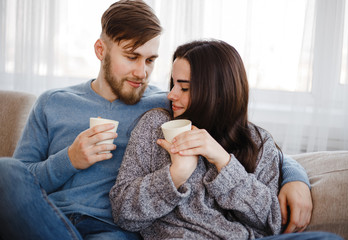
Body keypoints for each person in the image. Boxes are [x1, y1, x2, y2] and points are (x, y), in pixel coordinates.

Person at [0, 1, 311, 239]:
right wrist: (69, 159)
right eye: (132, 57)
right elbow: (20, 178)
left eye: (150, 60)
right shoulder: (53, 103)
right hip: (49, 218)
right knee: (4, 170)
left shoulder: (167, 107)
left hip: (112, 228)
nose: (142, 72)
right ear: (101, 50)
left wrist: (296, 178)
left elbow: (237, 132)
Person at [109, 40, 342, 240]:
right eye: (173, 84)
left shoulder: (257, 141)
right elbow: (123, 213)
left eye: (185, 88)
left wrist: (223, 162)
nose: (171, 95)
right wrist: (175, 175)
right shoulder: (156, 126)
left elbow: (271, 222)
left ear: (218, 95)